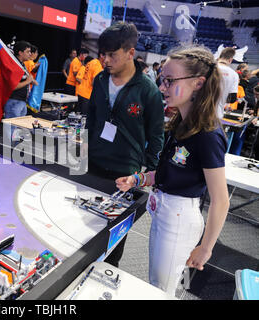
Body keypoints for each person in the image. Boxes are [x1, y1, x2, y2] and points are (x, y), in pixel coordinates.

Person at [116, 45, 230, 296]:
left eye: (169, 81)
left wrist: (206, 247)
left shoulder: (208, 135)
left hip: (179, 218)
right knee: (158, 284)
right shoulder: (181, 123)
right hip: (163, 211)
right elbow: (169, 172)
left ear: (198, 83)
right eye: (162, 80)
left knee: (160, 290)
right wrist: (138, 179)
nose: (162, 87)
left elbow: (221, 200)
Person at [85, 22, 165, 267]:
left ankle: (108, 274)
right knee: (86, 223)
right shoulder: (99, 80)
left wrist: (149, 172)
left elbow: (156, 134)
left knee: (115, 234)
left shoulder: (148, 90)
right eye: (103, 55)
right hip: (94, 163)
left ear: (131, 53)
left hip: (125, 171)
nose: (106, 60)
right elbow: (92, 118)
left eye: (112, 55)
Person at [3, 41, 37, 129]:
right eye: (28, 51)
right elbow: (12, 86)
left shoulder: (21, 64)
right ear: (20, 53)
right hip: (14, 102)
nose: (30, 54)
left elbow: (23, 79)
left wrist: (30, 80)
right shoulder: (15, 65)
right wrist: (27, 81)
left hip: (21, 101)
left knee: (17, 131)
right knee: (11, 130)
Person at [75, 51, 104, 116]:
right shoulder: (98, 66)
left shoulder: (92, 62)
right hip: (87, 94)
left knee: (79, 116)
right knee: (84, 118)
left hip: (81, 92)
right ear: (101, 55)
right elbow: (94, 82)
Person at [216, 47, 238, 119]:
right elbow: (232, 98)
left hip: (197, 111)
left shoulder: (207, 68)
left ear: (219, 57)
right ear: (230, 60)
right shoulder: (234, 74)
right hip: (216, 114)